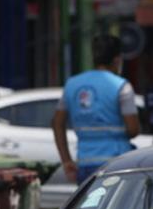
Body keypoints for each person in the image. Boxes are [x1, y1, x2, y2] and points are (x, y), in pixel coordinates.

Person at [52, 35, 140, 184]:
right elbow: (133, 129)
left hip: (85, 165)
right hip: (117, 164)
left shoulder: (72, 84)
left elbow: (57, 123)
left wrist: (66, 161)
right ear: (117, 60)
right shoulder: (122, 86)